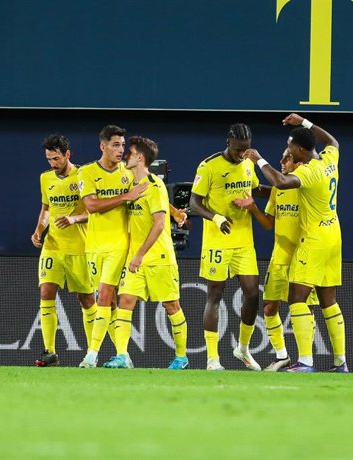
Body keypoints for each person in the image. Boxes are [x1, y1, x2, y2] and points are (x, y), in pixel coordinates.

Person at [243, 113, 347, 373]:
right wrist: (304, 122)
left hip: (314, 238)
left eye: (290, 147)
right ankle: (340, 362)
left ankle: (305, 362)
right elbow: (333, 141)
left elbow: (280, 181)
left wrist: (258, 160)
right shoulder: (329, 160)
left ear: (301, 150)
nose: (287, 150)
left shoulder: (310, 171)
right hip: (334, 234)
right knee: (328, 299)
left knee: (297, 297)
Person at [102, 136, 189, 370]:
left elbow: (159, 224)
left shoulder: (155, 185)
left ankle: (181, 357)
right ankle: (122, 355)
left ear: (139, 157)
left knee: (172, 306)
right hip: (136, 259)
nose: (124, 155)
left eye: (128, 152)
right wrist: (177, 212)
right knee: (125, 301)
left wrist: (139, 254)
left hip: (159, 257)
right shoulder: (130, 182)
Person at [233, 149, 321, 371]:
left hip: (302, 255)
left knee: (306, 308)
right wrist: (252, 207)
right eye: (281, 157)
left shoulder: (307, 187)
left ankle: (305, 359)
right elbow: (268, 223)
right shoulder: (278, 190)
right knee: (269, 307)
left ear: (299, 163)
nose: (281, 162)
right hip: (279, 257)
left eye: (287, 158)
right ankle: (282, 356)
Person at [189, 123, 265, 371]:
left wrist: (277, 192)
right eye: (238, 149)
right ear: (228, 142)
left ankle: (242, 348)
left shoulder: (248, 163)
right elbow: (194, 202)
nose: (242, 153)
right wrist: (217, 218)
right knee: (215, 295)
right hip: (217, 241)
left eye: (246, 149)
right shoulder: (209, 166)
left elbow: (255, 190)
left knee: (253, 294)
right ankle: (213, 359)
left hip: (244, 241)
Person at [77, 125, 147, 368]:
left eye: (122, 145)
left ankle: (91, 355)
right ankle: (123, 354)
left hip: (120, 245)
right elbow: (92, 206)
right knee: (110, 302)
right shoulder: (86, 172)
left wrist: (174, 213)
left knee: (104, 296)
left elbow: (148, 193)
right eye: (115, 145)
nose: (121, 150)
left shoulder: (127, 173)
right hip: (94, 246)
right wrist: (125, 197)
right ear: (103, 146)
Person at [31, 134, 96, 367]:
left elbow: (95, 212)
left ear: (67, 154)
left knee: (86, 299)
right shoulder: (45, 178)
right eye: (49, 159)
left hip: (79, 248)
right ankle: (49, 351)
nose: (52, 164)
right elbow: (46, 208)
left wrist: (74, 219)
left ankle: (92, 352)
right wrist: (39, 230)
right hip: (53, 247)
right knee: (46, 291)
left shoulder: (84, 176)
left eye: (56, 158)